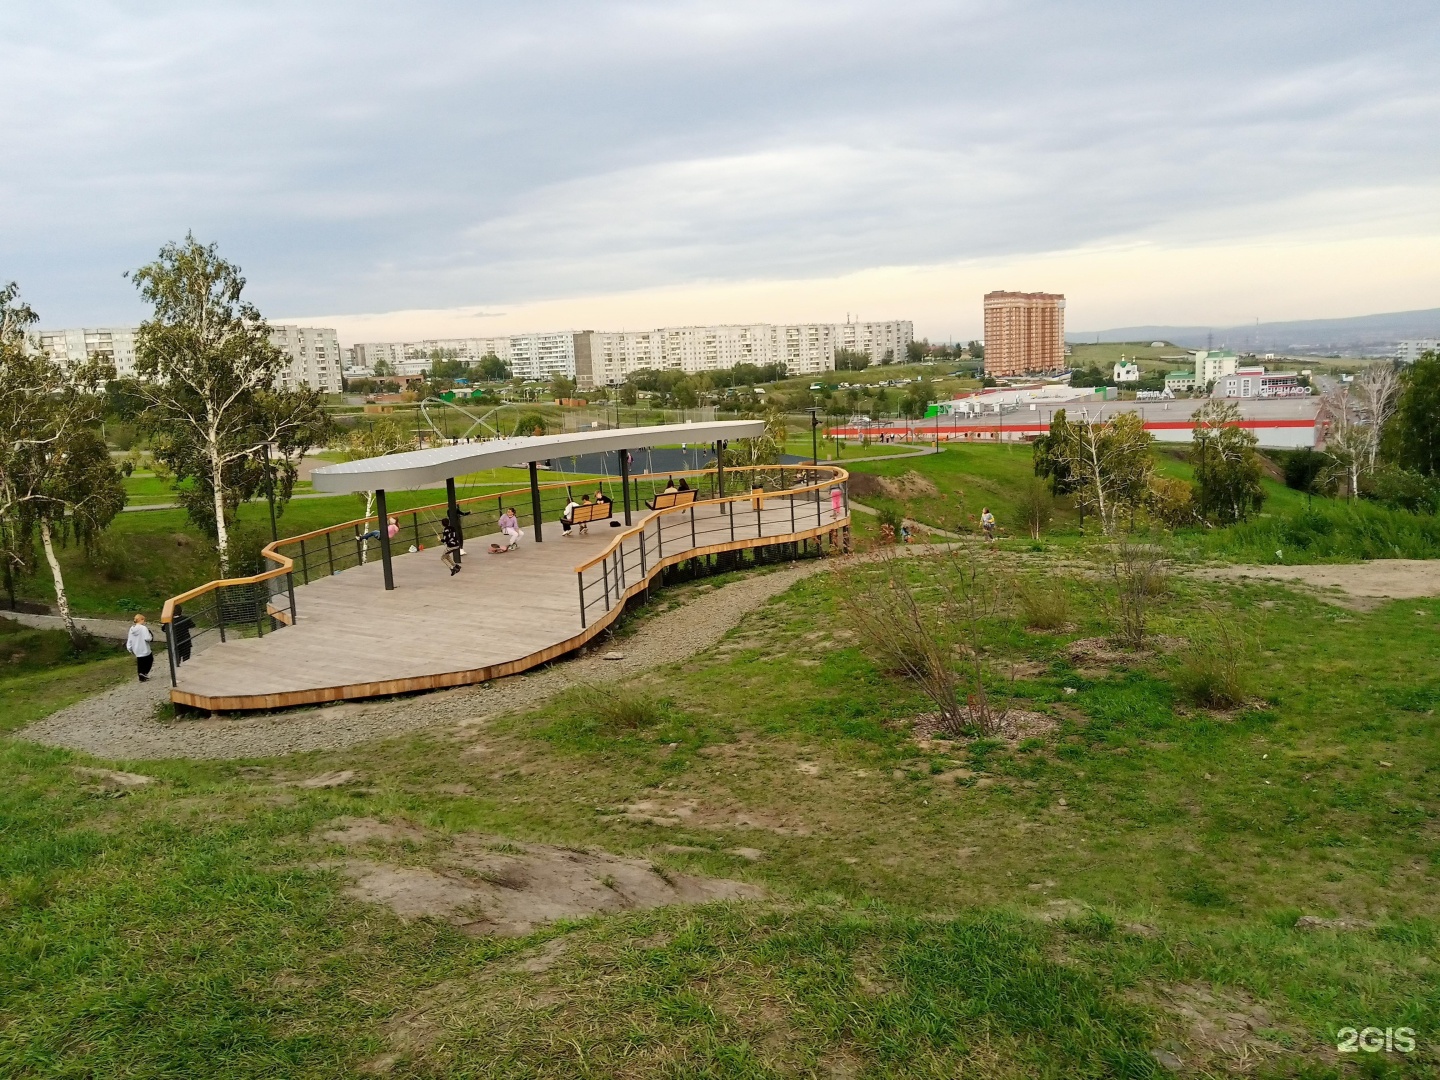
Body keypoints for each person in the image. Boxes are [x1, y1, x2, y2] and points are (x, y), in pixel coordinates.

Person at [126, 613, 154, 682]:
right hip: (144, 648)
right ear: (141, 620)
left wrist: (129, 648)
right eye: (144, 620)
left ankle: (141, 675)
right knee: (149, 660)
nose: (144, 622)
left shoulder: (132, 629)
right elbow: (147, 638)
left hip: (136, 649)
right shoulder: (143, 628)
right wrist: (151, 636)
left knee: (140, 663)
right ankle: (144, 673)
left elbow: (130, 639)